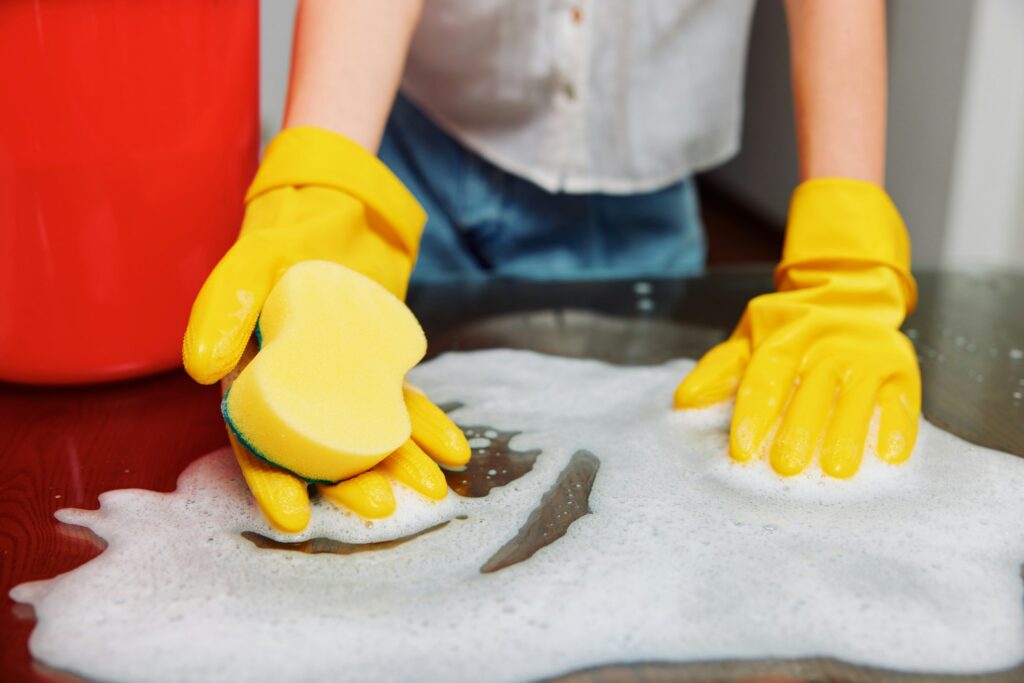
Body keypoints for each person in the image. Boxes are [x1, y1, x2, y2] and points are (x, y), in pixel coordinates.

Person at [183, 0, 920, 532]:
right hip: (413, 167)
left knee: (631, 505)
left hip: (642, 206)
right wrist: (327, 182)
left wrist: (844, 247)